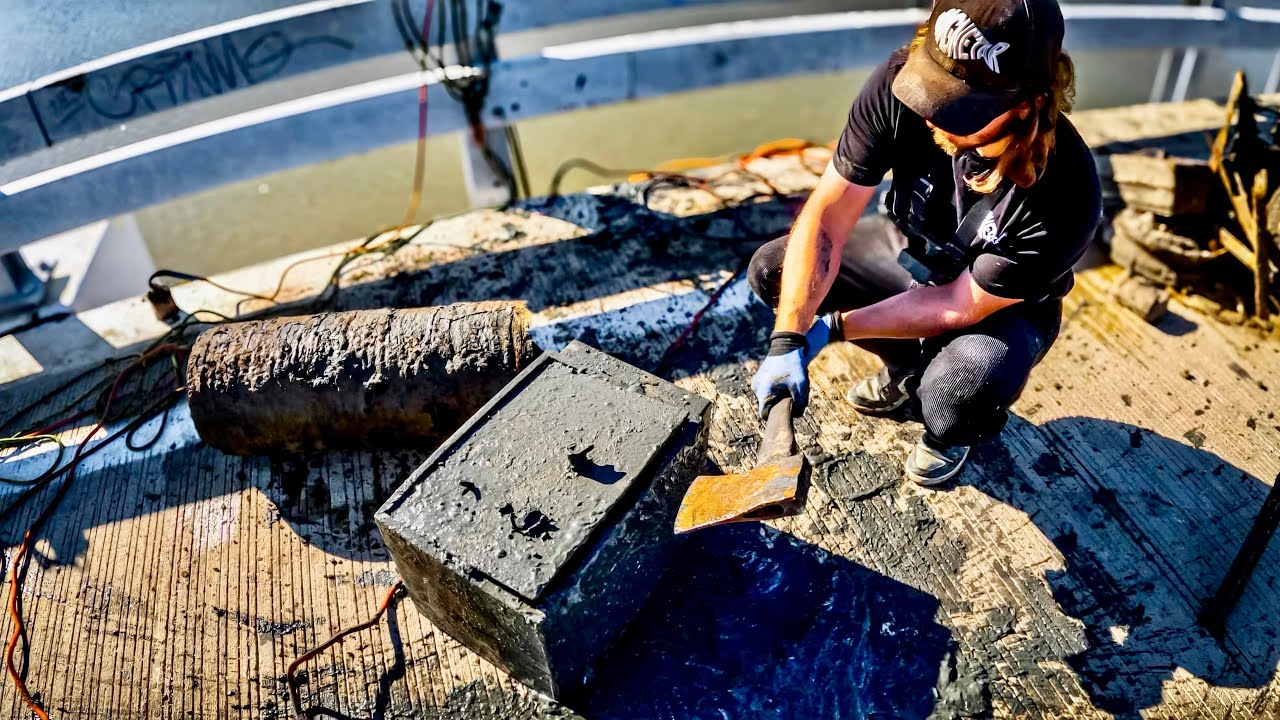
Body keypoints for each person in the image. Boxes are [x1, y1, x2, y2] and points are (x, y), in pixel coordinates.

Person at [748, 0, 1101, 486]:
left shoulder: (1068, 195)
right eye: (930, 88)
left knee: (963, 386)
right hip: (912, 250)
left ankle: (946, 429)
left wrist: (832, 328)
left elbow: (958, 304)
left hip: (995, 306)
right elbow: (828, 214)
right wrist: (790, 336)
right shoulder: (896, 84)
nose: (931, 114)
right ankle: (903, 370)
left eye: (959, 106)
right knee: (776, 268)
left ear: (1026, 105)